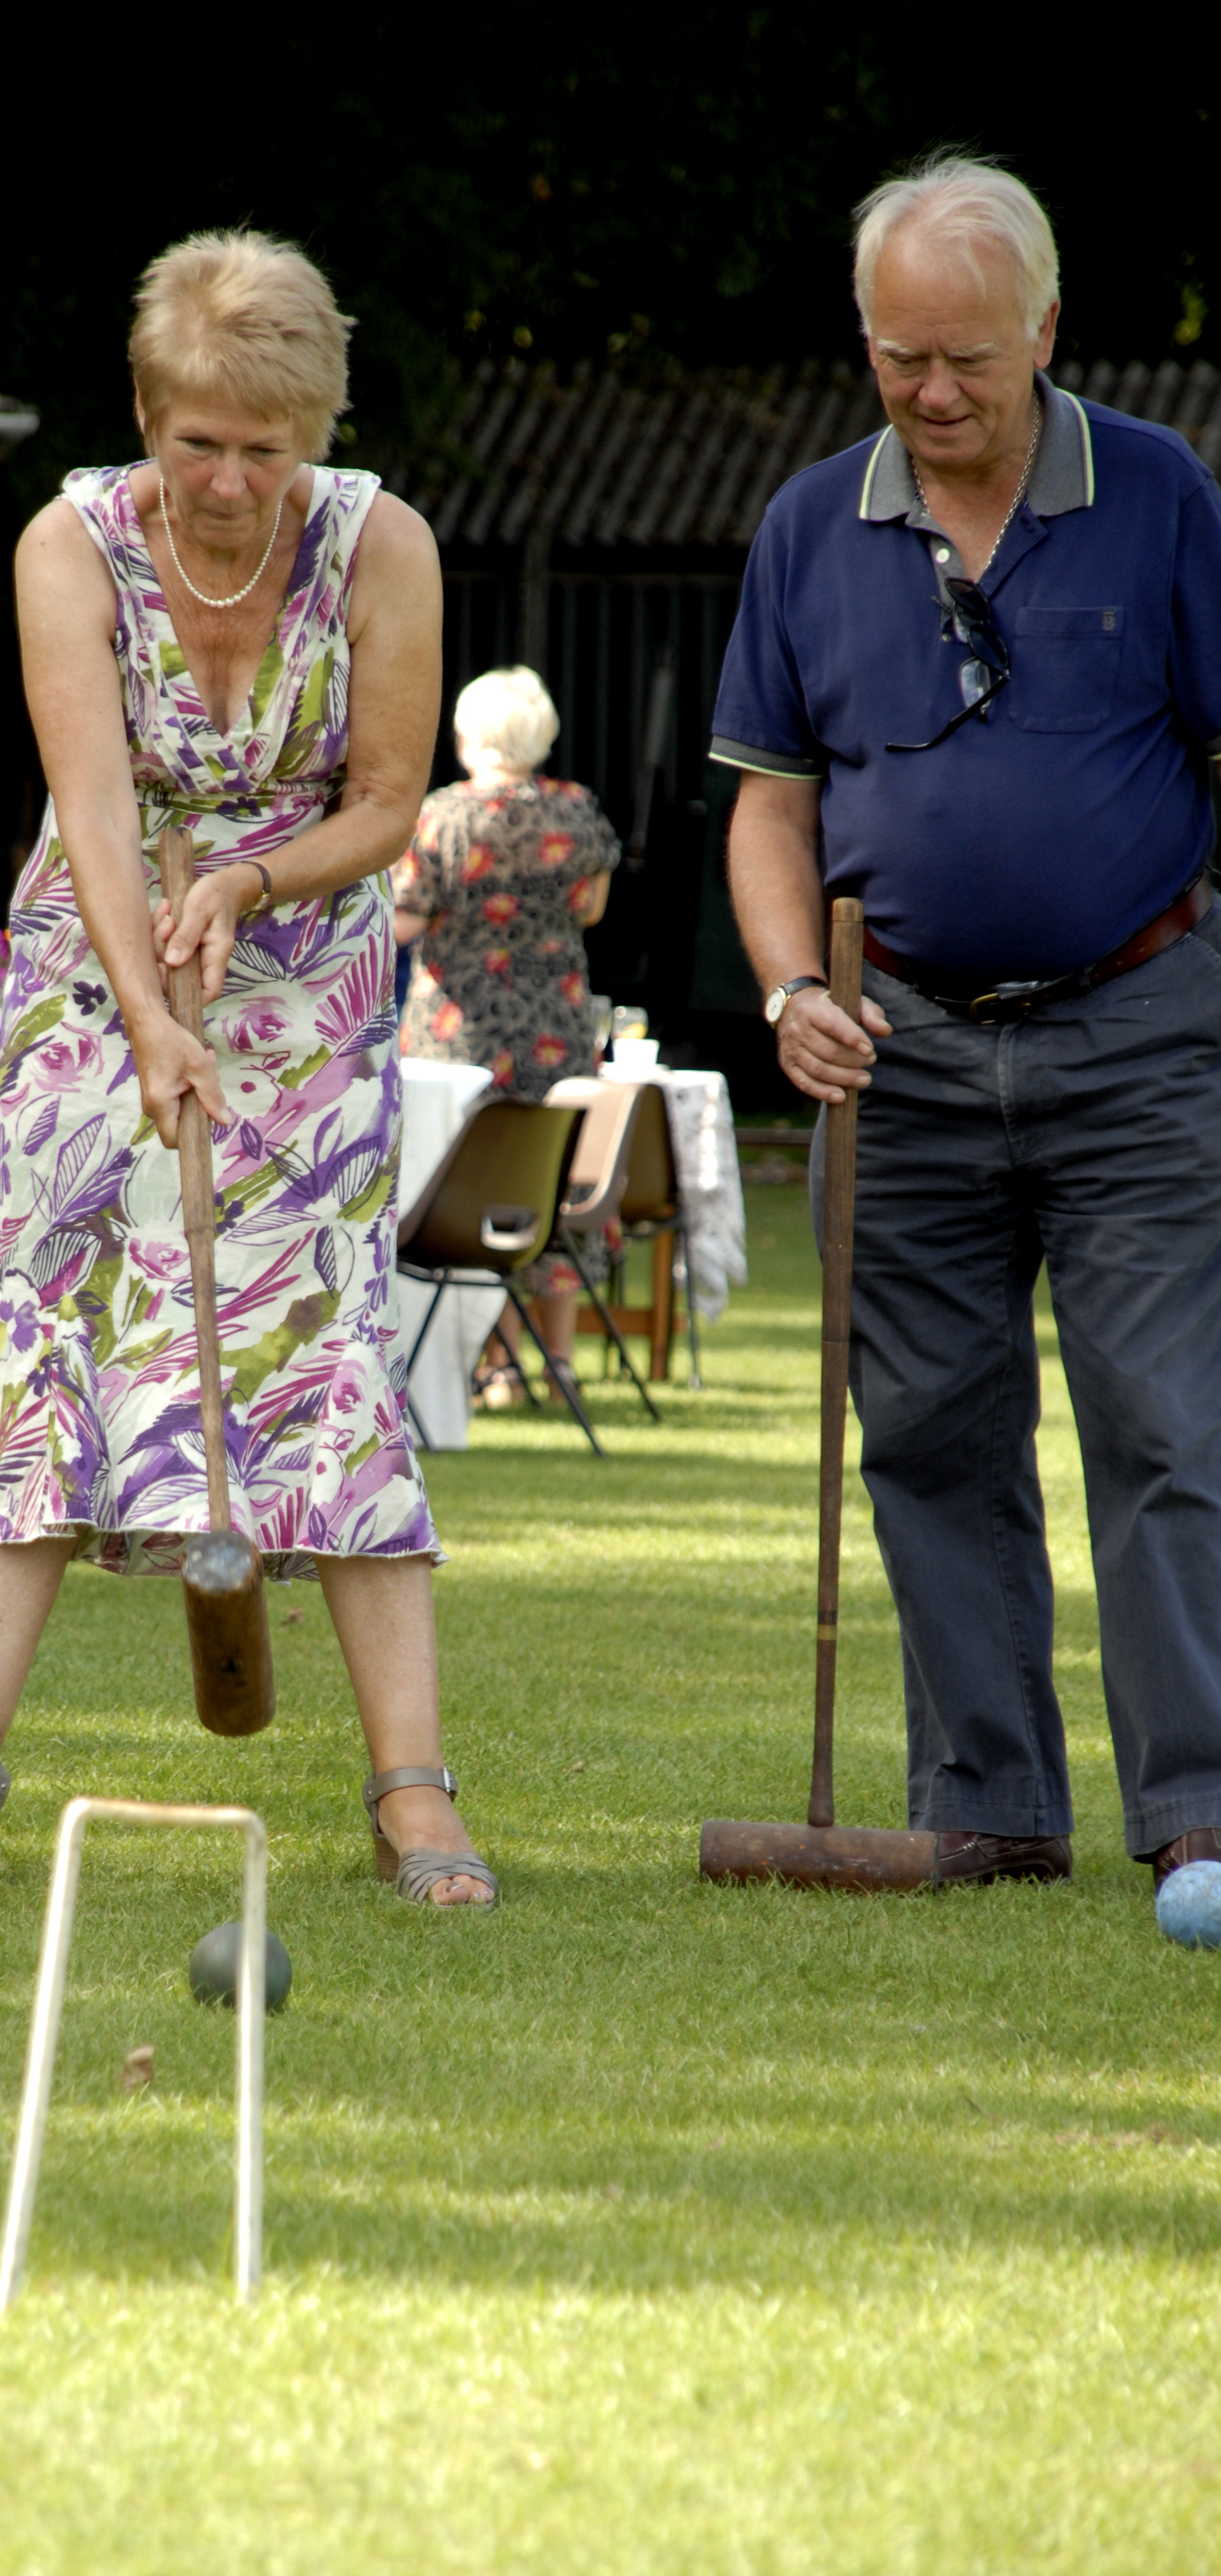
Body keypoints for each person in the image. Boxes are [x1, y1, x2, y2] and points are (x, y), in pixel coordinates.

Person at [0, 230, 495, 1907]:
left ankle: (412, 1795)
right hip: (96, 950)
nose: (225, 482)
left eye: (263, 449)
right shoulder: (71, 543)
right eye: (194, 440)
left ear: (317, 433)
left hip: (305, 952)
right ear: (146, 413)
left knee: (325, 1335)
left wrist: (252, 882)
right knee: (47, 1322)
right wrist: (146, 1014)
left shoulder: (384, 549)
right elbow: (90, 803)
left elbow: (383, 799)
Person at [713, 154, 1221, 1921]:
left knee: (1166, 1419)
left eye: (969, 362)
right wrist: (793, 991)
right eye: (899, 357)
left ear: (1047, 333)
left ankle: (1204, 1813)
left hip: (1146, 1034)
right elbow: (769, 812)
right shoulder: (809, 526)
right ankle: (992, 1803)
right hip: (901, 1052)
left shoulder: (1161, 498)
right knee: (927, 1429)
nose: (933, 395)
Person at [394, 665, 618, 1392]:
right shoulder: (578, 812)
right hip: (554, 1020)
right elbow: (590, 911)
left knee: (471, 1180)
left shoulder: (443, 816)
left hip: (458, 1033)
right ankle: (560, 1358)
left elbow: (406, 915)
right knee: (547, 1178)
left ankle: (500, 1362)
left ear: (468, 734)